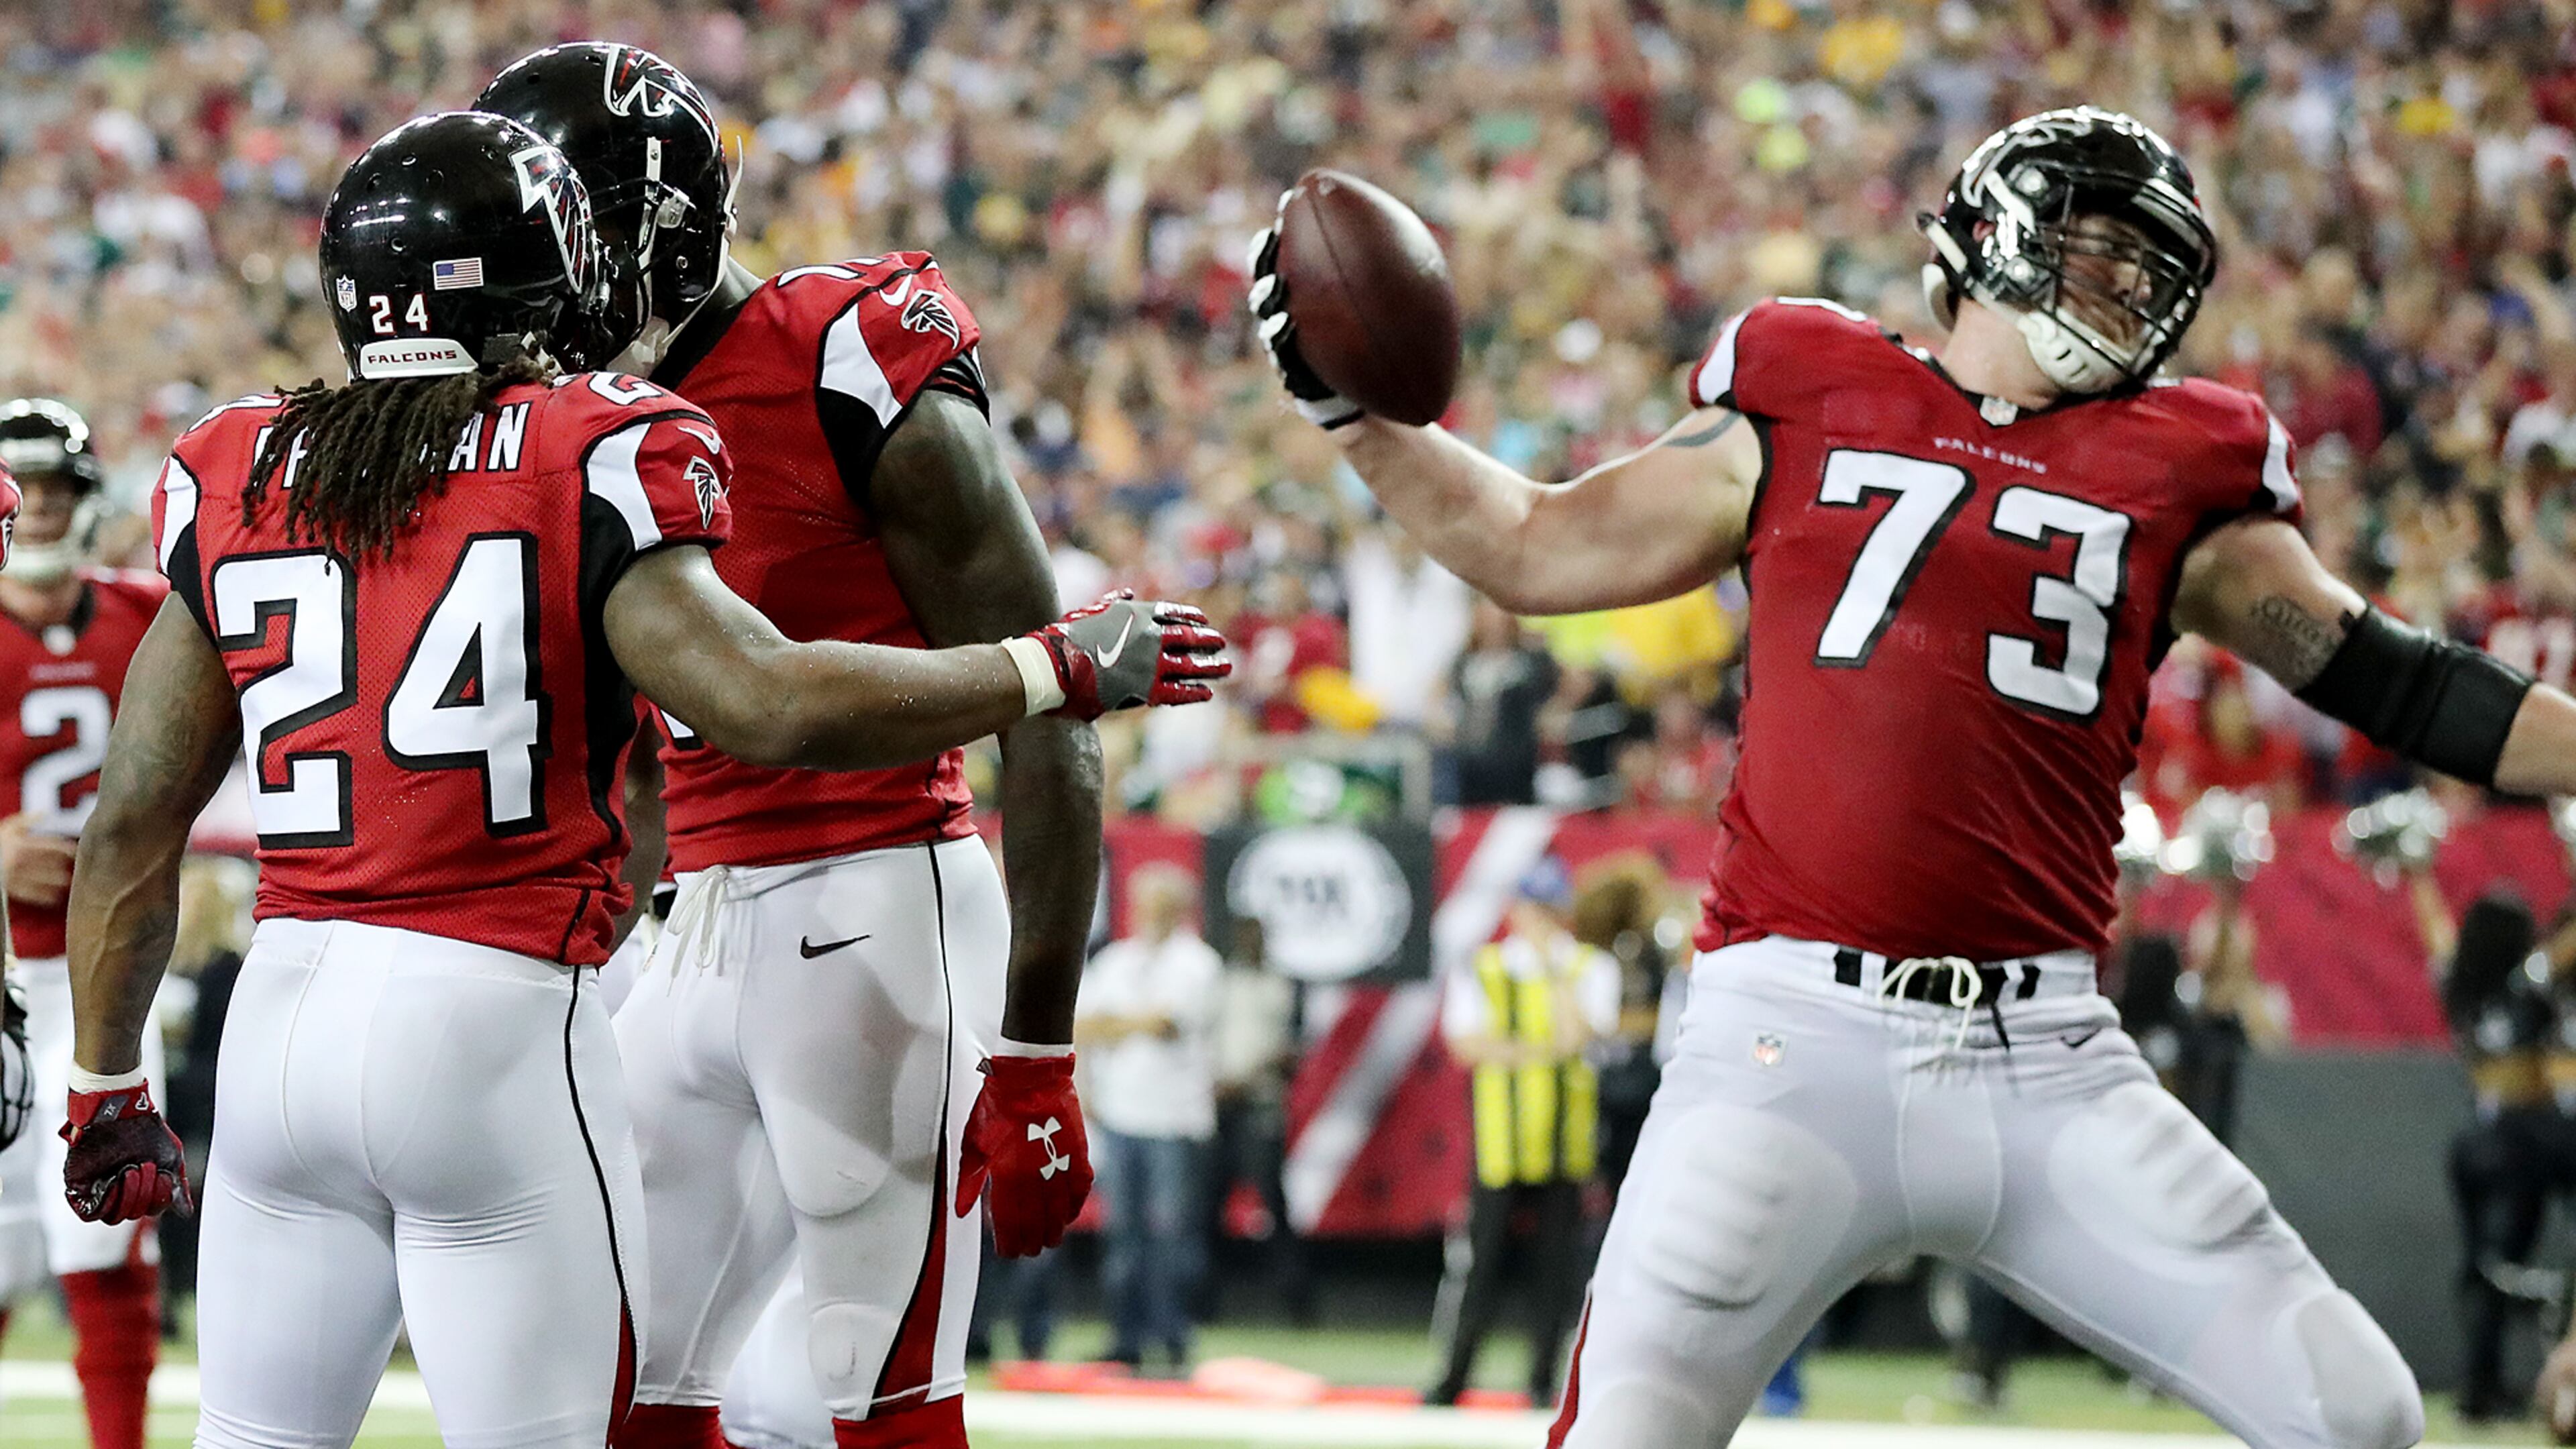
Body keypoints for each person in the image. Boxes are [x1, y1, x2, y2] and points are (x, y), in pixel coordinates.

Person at [1252, 104, 2576, 1447]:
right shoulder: (1807, 378)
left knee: (2359, 1415)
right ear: (1998, 236)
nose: (2130, 292)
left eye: (2149, 270)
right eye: (2103, 250)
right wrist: (1349, 415)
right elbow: (1536, 547)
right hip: (1787, 1041)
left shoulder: (2183, 462)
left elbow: (2398, 681)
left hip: (2047, 1056)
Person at [59, 111, 1225, 1449]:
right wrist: (1047, 666)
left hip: (283, 1021)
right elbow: (768, 700)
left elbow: (134, 819)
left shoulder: (237, 461)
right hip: (495, 1016)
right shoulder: (590, 442)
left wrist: (105, 1084)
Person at [476, 42, 1135, 1448]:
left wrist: (1037, 1049)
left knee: (866, 1393)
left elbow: (1052, 695)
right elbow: (623, 754)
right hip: (689, 935)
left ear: (652, 231)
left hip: (876, 900)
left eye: (559, 241)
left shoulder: (845, 353)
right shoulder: (578, 428)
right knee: (626, 1393)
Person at [0, 398, 170, 1449]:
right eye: (24, 492)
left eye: (57, 489)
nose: (40, 510)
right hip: (7, 968)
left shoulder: (148, 612)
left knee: (108, 1223)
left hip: (106, 969)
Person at [1426, 857, 1617, 1409]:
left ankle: (1540, 1380)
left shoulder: (1587, 966)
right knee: (1481, 1264)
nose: (1541, 921)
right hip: (1501, 1138)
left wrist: (1551, 977)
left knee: (1555, 1270)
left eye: (1549, 909)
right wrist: (1538, 1051)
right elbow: (1466, 1045)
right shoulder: (1484, 965)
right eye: (1533, 908)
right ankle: (1453, 1377)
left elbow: (1578, 1036)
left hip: (1565, 1138)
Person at [1073, 863, 1223, 1371]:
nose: (1148, 914)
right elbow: (1083, 1027)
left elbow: (1165, 1023)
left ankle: (1174, 1336)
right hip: (1121, 1113)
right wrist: (1117, 1035)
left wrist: (1114, 1025)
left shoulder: (1197, 963)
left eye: (1159, 905)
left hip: (1175, 1120)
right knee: (1123, 1238)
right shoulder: (1116, 960)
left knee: (1171, 1236)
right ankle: (1127, 1338)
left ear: (1180, 910)